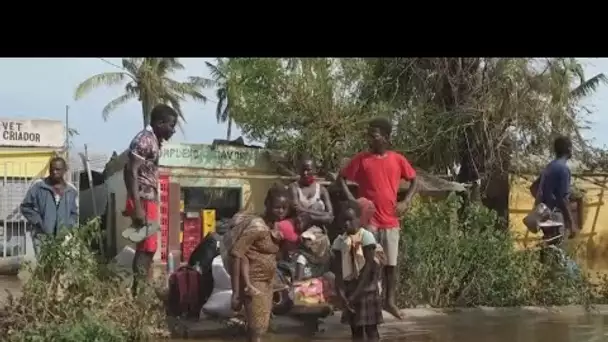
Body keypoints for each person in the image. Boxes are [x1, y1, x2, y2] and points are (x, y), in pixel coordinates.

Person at [337, 117, 418, 319]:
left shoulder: (397, 160)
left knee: (391, 264)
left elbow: (415, 180)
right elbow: (341, 178)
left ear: (386, 137)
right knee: (365, 264)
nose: (369, 139)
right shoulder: (362, 159)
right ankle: (363, 303)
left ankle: (389, 302)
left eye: (374, 135)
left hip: (390, 221)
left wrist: (406, 201)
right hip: (369, 224)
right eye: (369, 135)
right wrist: (353, 202)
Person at [123, 104, 177, 296]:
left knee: (148, 247)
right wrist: (137, 207)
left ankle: (140, 291)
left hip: (147, 199)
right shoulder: (145, 140)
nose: (173, 130)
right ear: (159, 123)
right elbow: (130, 170)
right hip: (144, 199)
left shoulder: (153, 140)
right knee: (147, 247)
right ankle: (139, 294)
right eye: (171, 125)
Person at [223, 185, 288, 342]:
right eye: (277, 207)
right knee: (257, 329)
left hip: (268, 283)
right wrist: (236, 292)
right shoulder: (257, 226)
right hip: (252, 283)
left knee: (261, 327)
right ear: (267, 205)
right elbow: (237, 254)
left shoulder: (275, 227)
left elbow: (276, 255)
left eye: (284, 208)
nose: (281, 211)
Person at [331, 200, 384, 342]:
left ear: (359, 219)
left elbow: (368, 267)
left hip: (366, 289)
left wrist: (356, 293)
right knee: (355, 329)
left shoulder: (366, 237)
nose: (347, 224)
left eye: (350, 220)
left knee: (371, 329)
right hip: (350, 289)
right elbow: (338, 270)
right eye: (344, 220)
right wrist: (341, 292)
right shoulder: (339, 241)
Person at [20, 156, 79, 257]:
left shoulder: (71, 190)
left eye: (58, 169)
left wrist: (68, 227)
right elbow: (25, 207)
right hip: (42, 236)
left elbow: (74, 213)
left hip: (63, 238)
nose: (54, 172)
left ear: (65, 170)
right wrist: (38, 222)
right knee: (44, 267)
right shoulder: (39, 186)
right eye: (52, 169)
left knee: (61, 267)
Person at [530, 135, 576, 242]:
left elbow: (533, 188)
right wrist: (571, 223)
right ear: (569, 149)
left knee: (548, 248)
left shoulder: (549, 167)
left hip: (544, 216)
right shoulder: (564, 170)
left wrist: (543, 204)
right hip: (556, 217)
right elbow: (563, 199)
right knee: (558, 252)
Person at [289, 156, 334, 226]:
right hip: (300, 226)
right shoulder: (294, 187)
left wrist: (311, 218)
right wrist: (323, 214)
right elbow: (297, 210)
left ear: (314, 170)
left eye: (308, 170)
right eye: (303, 170)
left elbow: (330, 215)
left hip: (317, 228)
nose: (305, 173)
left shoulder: (322, 190)